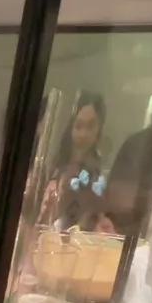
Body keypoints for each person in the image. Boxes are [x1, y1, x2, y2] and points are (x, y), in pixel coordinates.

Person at [41, 91, 114, 232]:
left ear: (99, 128)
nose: (83, 134)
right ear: (70, 128)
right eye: (78, 126)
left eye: (90, 126)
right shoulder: (53, 167)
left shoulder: (98, 176)